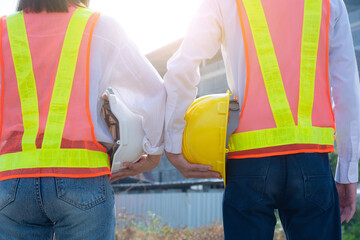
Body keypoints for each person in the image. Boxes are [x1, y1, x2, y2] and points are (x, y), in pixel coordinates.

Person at [164, 0, 360, 239]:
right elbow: (347, 88)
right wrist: (348, 171)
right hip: (312, 162)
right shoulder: (331, 3)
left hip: (247, 163)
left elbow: (182, 67)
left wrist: (173, 143)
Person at [0, 0, 165, 239]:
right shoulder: (101, 26)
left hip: (11, 181)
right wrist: (154, 151)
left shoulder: (4, 29)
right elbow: (153, 92)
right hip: (82, 177)